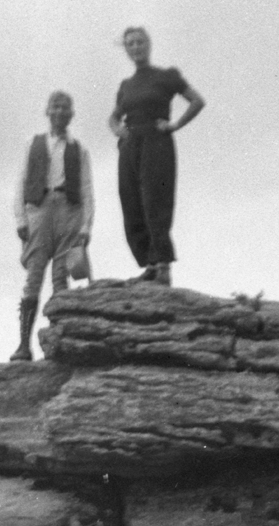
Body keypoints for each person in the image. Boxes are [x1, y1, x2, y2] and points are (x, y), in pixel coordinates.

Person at [109, 26, 205, 287]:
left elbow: (197, 101)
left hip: (156, 141)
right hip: (130, 145)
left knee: (155, 200)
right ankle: (149, 265)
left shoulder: (166, 76)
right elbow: (114, 117)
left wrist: (175, 125)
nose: (136, 47)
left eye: (140, 42)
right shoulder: (126, 85)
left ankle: (162, 265)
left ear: (148, 45)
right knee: (132, 202)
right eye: (130, 44)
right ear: (126, 49)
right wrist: (119, 131)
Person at [12, 91, 94, 362]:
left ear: (71, 114)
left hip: (68, 208)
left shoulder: (78, 149)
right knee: (34, 273)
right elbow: (21, 182)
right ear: (47, 111)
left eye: (65, 108)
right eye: (55, 107)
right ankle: (24, 345)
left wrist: (85, 227)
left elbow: (86, 189)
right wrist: (21, 218)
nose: (59, 112)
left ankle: (60, 342)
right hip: (40, 206)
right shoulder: (33, 143)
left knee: (61, 276)